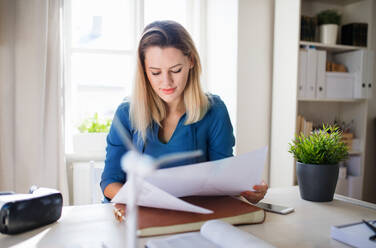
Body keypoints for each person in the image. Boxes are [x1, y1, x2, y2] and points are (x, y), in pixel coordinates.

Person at [100, 20, 268, 216]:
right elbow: (109, 182)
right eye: (155, 73)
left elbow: (224, 177)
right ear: (144, 71)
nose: (166, 82)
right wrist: (148, 202)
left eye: (175, 70)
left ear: (191, 62)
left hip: (192, 218)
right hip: (138, 217)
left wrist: (247, 189)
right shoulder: (126, 114)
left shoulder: (214, 111)